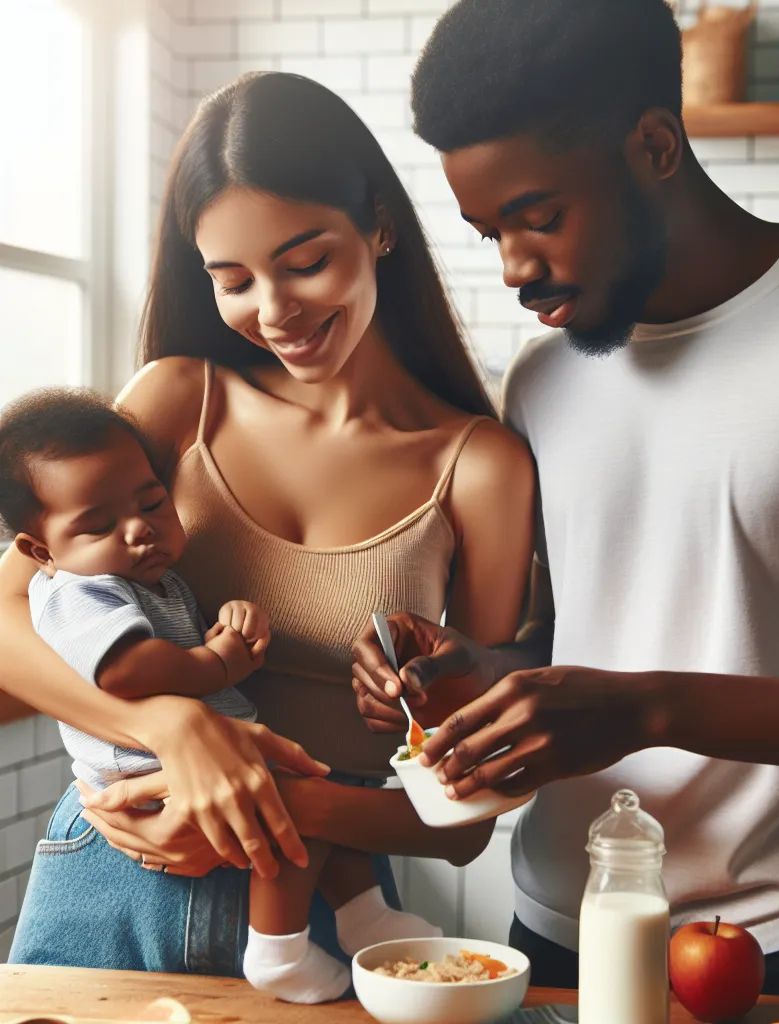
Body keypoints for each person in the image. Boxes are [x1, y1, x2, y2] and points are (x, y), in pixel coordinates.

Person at [351, 0, 779, 1000]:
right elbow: (594, 635)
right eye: (489, 230)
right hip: (546, 940)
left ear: (655, 145)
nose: (514, 269)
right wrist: (483, 674)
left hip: (774, 947)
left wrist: (647, 707)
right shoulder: (543, 378)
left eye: (539, 216)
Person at [1, 71, 534, 990]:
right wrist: (174, 726)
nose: (274, 310)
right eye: (232, 279)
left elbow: (465, 814)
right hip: (115, 872)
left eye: (304, 261)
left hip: (329, 909)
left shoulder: (480, 468)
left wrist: (281, 798)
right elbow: (10, 624)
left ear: (379, 226)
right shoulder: (178, 401)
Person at [0, 388, 447, 1003]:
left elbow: (176, 642)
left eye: (154, 502)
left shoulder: (153, 580)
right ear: (41, 552)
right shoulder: (80, 590)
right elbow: (130, 670)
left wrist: (228, 625)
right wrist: (215, 663)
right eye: (99, 526)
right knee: (292, 827)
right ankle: (280, 947)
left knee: (320, 809)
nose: (137, 530)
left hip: (220, 770)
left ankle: (359, 912)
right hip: (149, 784)